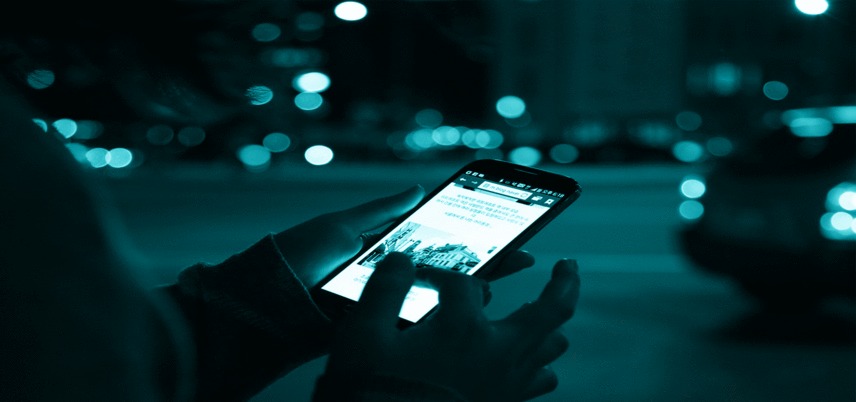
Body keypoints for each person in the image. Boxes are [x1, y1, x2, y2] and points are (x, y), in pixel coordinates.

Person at [0, 2, 581, 401]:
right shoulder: (19, 160)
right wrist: (412, 393)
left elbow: (89, 360)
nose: (277, 18)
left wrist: (278, 295)